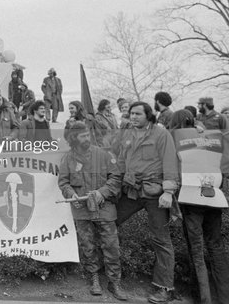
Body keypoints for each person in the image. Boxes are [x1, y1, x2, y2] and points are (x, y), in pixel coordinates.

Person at [115, 102, 179, 303]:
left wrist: (168, 191)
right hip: (132, 190)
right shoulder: (128, 134)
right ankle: (105, 275)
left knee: (161, 239)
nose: (133, 117)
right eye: (131, 113)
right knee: (108, 221)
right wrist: (111, 185)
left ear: (148, 115)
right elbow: (120, 163)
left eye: (137, 114)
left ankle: (165, 289)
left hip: (155, 192)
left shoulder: (161, 134)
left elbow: (170, 162)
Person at [58, 122, 126, 301]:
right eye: (83, 136)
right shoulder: (67, 159)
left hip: (104, 209)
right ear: (74, 138)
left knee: (111, 246)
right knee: (87, 246)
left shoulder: (104, 155)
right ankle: (94, 279)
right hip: (82, 211)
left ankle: (114, 282)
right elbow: (63, 182)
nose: (87, 138)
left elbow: (116, 177)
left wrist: (102, 193)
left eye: (88, 135)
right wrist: (70, 193)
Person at [169, 109, 229, 304]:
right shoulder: (208, 136)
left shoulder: (174, 139)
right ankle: (224, 296)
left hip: (191, 198)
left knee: (196, 249)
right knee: (216, 247)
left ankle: (204, 298)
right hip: (213, 196)